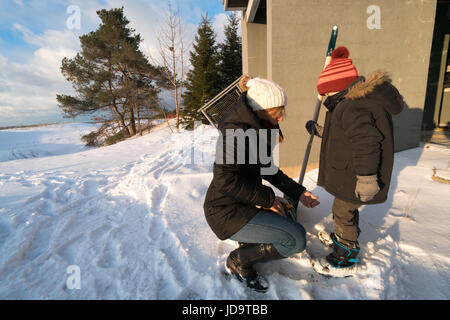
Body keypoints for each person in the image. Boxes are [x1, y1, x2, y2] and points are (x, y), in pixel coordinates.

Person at [204, 76, 320, 292]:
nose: (282, 118)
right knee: (295, 239)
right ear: (262, 110)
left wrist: (300, 193)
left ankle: (250, 242)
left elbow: (270, 171)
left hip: (244, 203)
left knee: (289, 214)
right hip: (225, 212)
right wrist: (267, 199)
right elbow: (224, 180)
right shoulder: (233, 134)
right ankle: (239, 260)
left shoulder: (257, 129)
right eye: (278, 112)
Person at [306, 46, 404, 276]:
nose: (325, 100)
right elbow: (343, 135)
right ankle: (344, 236)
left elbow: (366, 141)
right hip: (350, 172)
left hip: (357, 174)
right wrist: (320, 130)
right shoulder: (349, 103)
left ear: (335, 89)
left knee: (342, 210)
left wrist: (368, 178)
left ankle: (346, 255)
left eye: (326, 95)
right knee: (345, 208)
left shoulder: (351, 106)